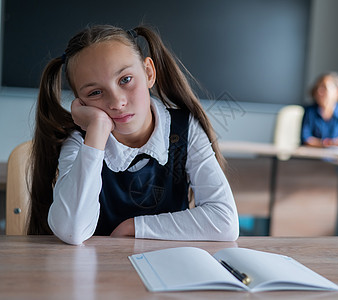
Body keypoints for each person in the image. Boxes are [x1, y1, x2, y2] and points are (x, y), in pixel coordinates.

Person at [28, 25, 239, 245]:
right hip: (99, 273)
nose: (117, 102)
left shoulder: (185, 129)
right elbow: (72, 231)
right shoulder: (82, 141)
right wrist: (98, 129)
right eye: (95, 93)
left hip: (170, 268)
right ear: (80, 102)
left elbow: (224, 222)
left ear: (148, 73)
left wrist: (135, 227)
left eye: (125, 80)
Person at [301, 72, 338, 148]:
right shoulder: (310, 111)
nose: (319, 92)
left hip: (335, 157)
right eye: (317, 88)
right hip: (314, 157)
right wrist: (329, 143)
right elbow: (306, 139)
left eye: (324, 87)